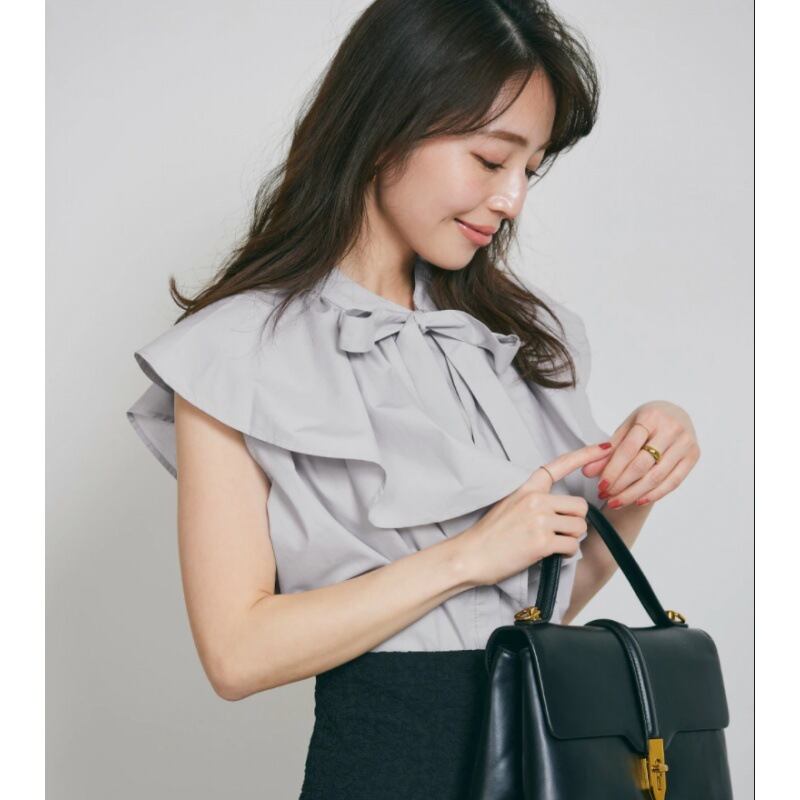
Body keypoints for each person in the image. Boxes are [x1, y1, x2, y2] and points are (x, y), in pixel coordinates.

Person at [126, 1, 700, 797]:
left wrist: (640, 475)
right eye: (491, 159)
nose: (512, 200)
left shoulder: (515, 337)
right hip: (387, 767)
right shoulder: (234, 352)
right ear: (387, 124)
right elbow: (236, 654)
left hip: (550, 764)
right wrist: (466, 558)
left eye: (530, 170)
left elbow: (548, 609)